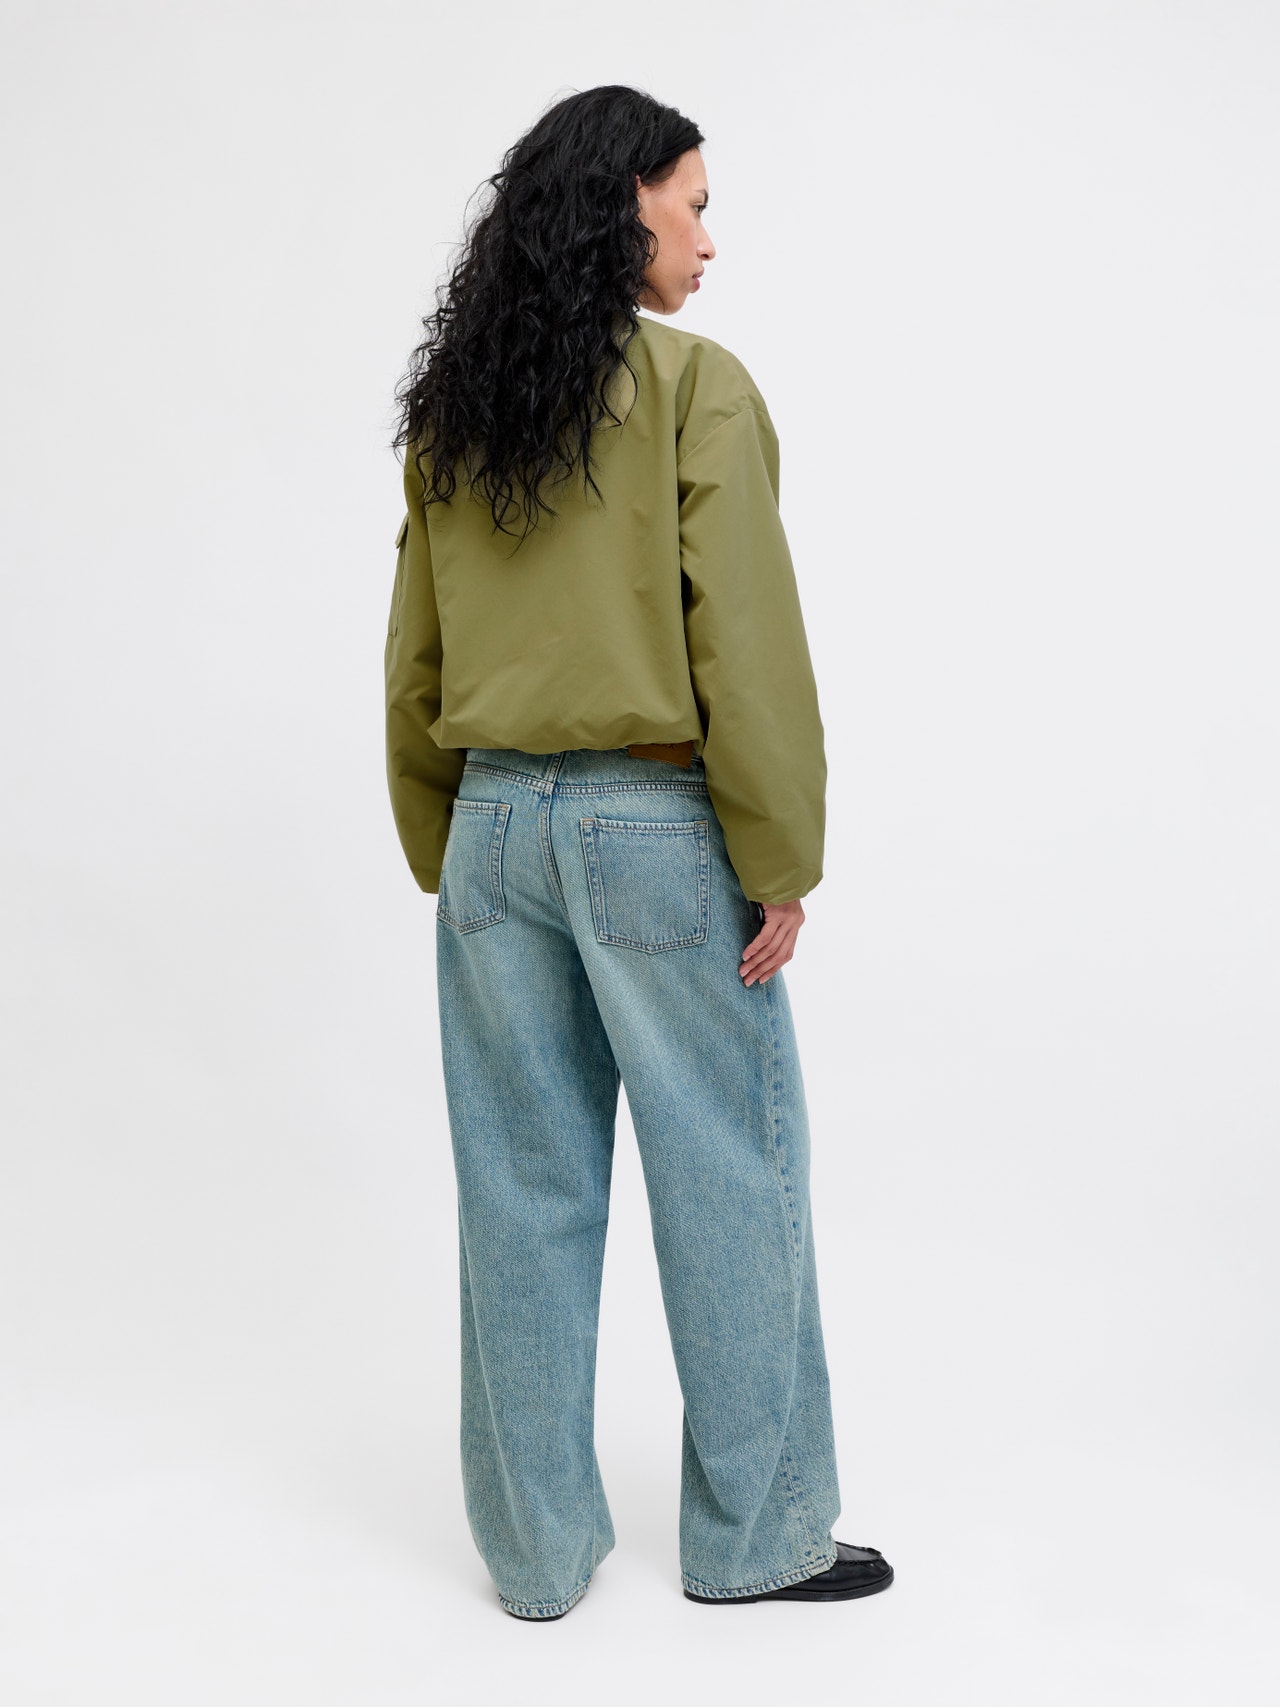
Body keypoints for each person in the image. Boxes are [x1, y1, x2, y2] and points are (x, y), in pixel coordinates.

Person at [384, 84, 894, 1621]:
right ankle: (759, 1539)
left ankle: (535, 1560)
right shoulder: (694, 390)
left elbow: (415, 657)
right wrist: (780, 851)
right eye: (695, 205)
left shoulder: (462, 412)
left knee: (519, 1191)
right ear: (627, 208)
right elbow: (744, 638)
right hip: (650, 827)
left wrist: (449, 842)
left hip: (493, 829)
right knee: (729, 1174)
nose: (710, 241)